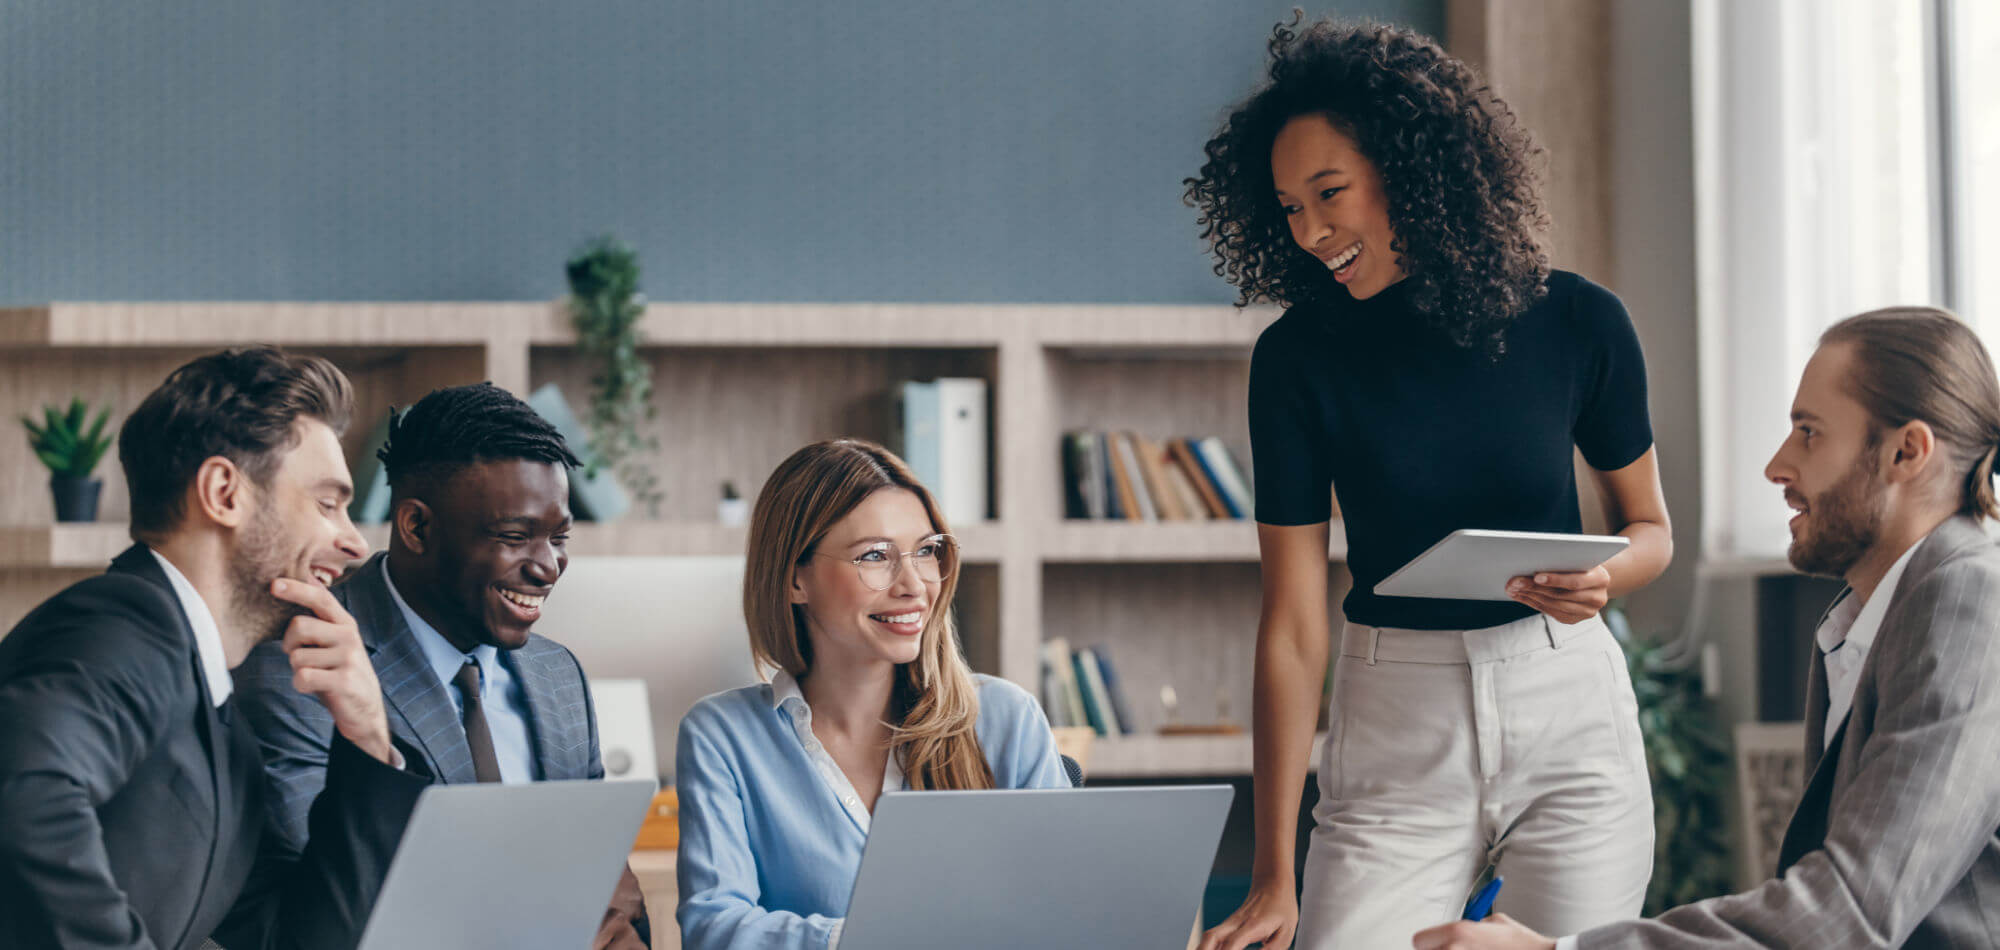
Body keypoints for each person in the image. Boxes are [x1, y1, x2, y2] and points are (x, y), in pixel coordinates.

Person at [1186, 18, 1675, 949]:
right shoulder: (1295, 360)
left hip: (1566, 703)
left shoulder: (1580, 321)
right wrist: (1272, 871)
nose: (1312, 231)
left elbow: (1649, 529)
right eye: (1289, 207)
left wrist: (1608, 579)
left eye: (1329, 192)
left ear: (1414, 167)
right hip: (1393, 720)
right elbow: (1292, 625)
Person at [1416, 307, 2000, 949]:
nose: (1777, 466)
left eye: (1809, 432)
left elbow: (1851, 910)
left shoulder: (1969, 601)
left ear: (1906, 452)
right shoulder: (1875, 616)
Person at [0, 347, 430, 950]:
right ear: (225, 492)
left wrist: (367, 742)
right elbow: (22, 799)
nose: (356, 543)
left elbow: (296, 939)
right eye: (328, 503)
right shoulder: (124, 620)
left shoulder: (226, 733)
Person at [233, 382, 650, 948]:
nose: (548, 567)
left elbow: (610, 887)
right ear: (417, 527)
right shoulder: (300, 667)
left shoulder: (558, 676)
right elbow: (327, 912)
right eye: (515, 537)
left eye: (559, 537)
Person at [673, 438, 1068, 949]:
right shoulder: (723, 736)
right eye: (875, 556)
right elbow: (715, 930)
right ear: (796, 579)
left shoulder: (1005, 718)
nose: (915, 584)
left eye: (926, 551)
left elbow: (1065, 909)